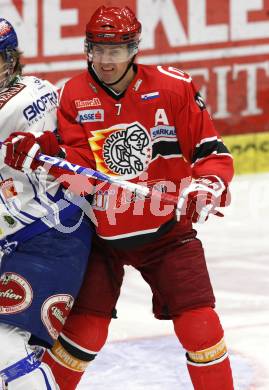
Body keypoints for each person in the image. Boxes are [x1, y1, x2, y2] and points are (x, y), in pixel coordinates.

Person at [3, 6, 235, 390]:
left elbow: (211, 152)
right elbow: (78, 174)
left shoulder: (174, 86)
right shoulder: (74, 95)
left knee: (201, 327)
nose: (106, 60)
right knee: (83, 335)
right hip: (101, 236)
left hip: (166, 231)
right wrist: (40, 155)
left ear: (134, 48)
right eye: (98, 49)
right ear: (87, 49)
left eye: (116, 50)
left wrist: (207, 185)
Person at [0, 18, 94, 389]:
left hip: (50, 236)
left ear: (10, 59)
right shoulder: (36, 86)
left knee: (6, 349)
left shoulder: (21, 100)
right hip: (20, 239)